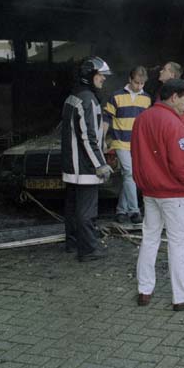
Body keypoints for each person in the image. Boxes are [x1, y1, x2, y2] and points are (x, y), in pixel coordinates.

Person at [131, 78, 184, 311]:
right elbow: (183, 164)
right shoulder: (174, 125)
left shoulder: (142, 119)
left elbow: (135, 156)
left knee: (150, 238)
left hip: (149, 192)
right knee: (180, 244)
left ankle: (145, 290)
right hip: (173, 194)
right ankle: (182, 296)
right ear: (173, 97)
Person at [61, 56, 114, 262]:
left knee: (72, 207)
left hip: (72, 165)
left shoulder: (73, 96)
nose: (103, 79)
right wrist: (100, 164)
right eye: (100, 75)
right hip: (85, 168)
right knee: (87, 211)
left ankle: (73, 243)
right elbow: (87, 137)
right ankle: (89, 250)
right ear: (89, 76)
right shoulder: (88, 100)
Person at [103, 66, 152, 224]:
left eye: (142, 84)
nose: (139, 86)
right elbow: (106, 119)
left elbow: (147, 124)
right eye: (137, 82)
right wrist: (103, 139)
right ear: (130, 80)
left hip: (138, 144)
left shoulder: (147, 99)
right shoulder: (116, 96)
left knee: (128, 177)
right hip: (120, 141)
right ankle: (134, 211)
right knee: (130, 174)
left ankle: (121, 211)